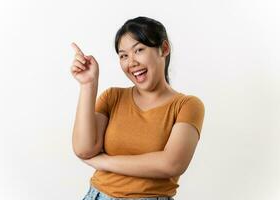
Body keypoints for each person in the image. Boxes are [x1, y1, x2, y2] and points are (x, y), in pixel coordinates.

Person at [70, 16, 205, 200]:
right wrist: (88, 85)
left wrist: (103, 161)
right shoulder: (112, 97)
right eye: (123, 55)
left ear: (164, 49)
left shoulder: (187, 105)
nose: (131, 62)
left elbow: (171, 164)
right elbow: (84, 149)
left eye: (139, 50)